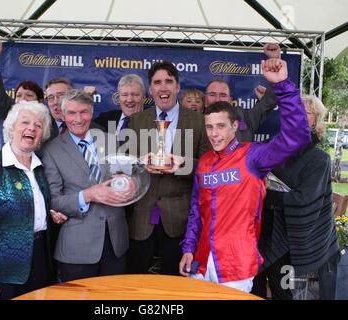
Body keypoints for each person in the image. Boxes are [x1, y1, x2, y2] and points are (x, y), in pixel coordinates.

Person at [179, 58, 311, 293]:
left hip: (235, 264)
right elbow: (196, 212)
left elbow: (297, 135)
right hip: (200, 261)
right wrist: (188, 249)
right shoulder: (205, 162)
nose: (214, 134)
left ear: (234, 127)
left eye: (221, 126)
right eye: (209, 127)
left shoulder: (253, 157)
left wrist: (282, 85)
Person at [124, 61, 211, 275]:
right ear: (150, 89)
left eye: (169, 82)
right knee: (136, 284)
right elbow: (125, 164)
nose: (163, 87)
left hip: (179, 221)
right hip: (142, 218)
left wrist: (183, 165)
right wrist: (140, 163)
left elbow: (210, 168)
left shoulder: (199, 122)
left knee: (174, 285)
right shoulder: (136, 121)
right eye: (157, 82)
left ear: (177, 87)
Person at [253, 95, 340, 300]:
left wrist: (266, 194)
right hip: (268, 235)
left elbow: (304, 201)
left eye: (306, 112)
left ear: (315, 121)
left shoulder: (319, 159)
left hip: (303, 244)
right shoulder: (271, 148)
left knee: (289, 296)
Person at [0, 101, 54, 300]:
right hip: (5, 270)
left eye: (38, 125)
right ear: (11, 128)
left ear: (42, 135)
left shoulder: (41, 169)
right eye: (25, 122)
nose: (31, 128)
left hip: (41, 262)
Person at [42, 89, 133, 282]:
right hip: (77, 248)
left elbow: (125, 178)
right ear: (63, 114)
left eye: (84, 112)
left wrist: (129, 185)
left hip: (115, 243)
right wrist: (88, 195)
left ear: (91, 113)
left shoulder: (111, 141)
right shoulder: (51, 150)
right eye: (72, 113)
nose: (78, 118)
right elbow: (54, 200)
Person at [0, 37, 102, 141]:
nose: (56, 101)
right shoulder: (40, 123)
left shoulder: (96, 131)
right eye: (51, 97)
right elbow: (1, 106)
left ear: (72, 97)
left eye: (61, 95)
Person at [204, 43, 281, 142]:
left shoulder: (243, 117)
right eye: (212, 94)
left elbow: (269, 101)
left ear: (230, 100)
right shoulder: (191, 120)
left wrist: (275, 61)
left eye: (223, 95)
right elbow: (184, 155)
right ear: (205, 99)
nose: (218, 99)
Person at [94, 74, 145, 140]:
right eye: (124, 95)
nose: (129, 100)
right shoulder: (105, 119)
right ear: (119, 98)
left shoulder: (153, 122)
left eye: (135, 95)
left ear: (143, 98)